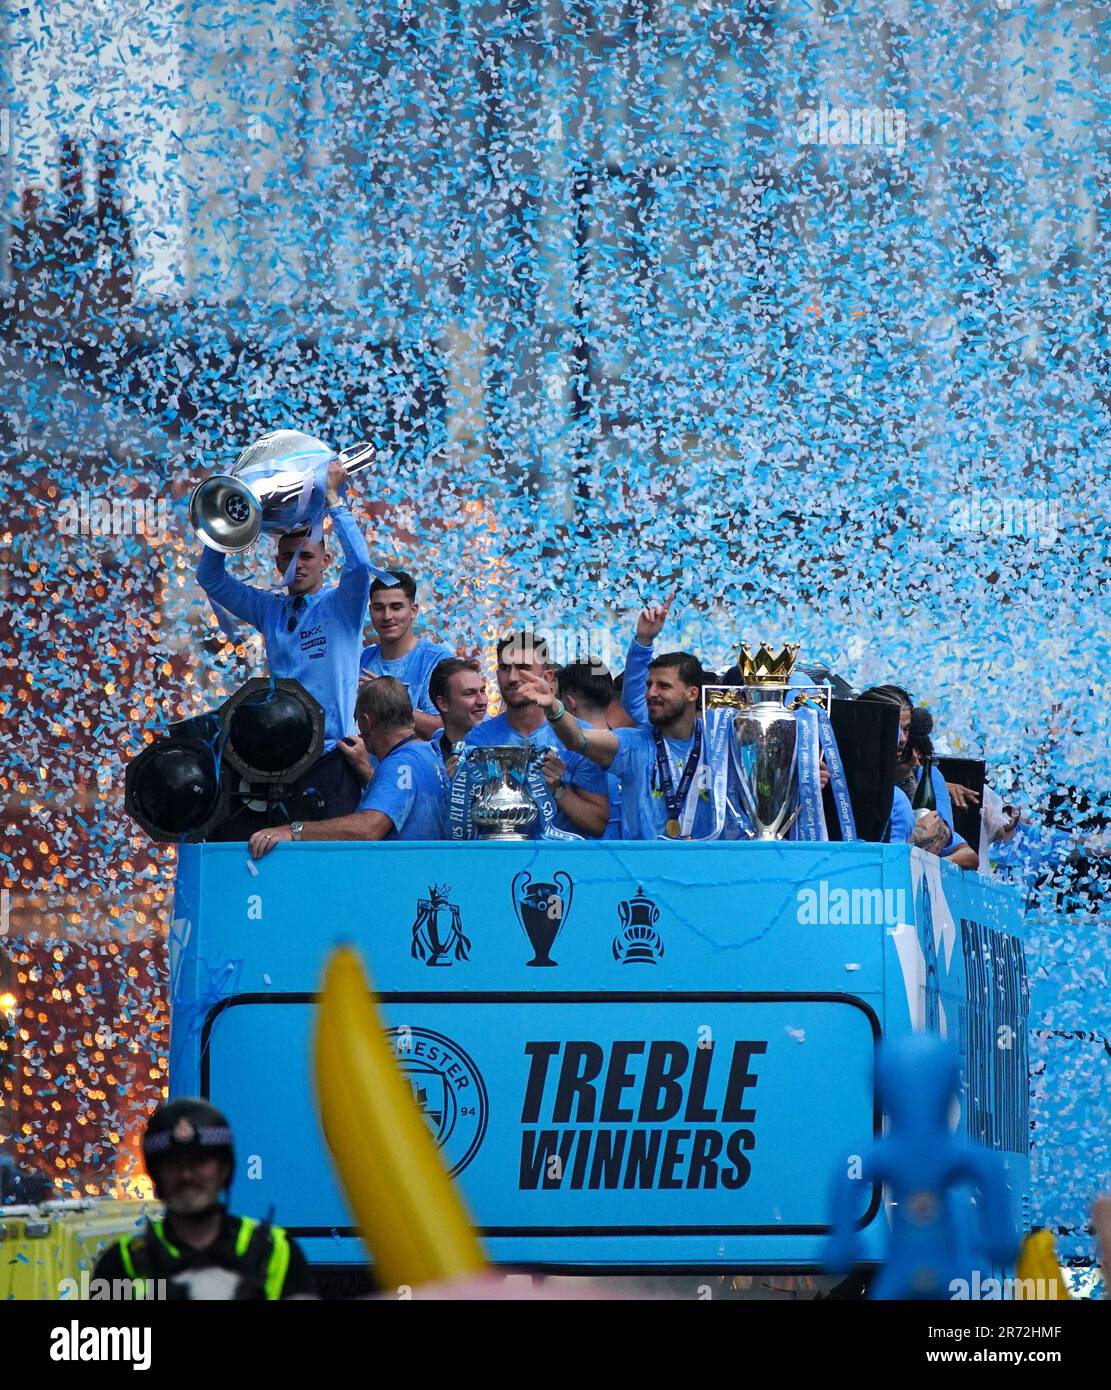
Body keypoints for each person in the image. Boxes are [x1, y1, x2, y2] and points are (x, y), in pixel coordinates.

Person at [196, 457, 377, 817]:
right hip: (283, 757)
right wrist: (228, 521)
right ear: (278, 564)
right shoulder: (271, 609)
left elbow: (359, 566)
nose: (298, 565)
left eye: (307, 556)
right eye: (288, 557)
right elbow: (210, 577)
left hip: (333, 755)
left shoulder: (342, 605)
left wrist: (335, 502)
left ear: (326, 561)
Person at [93, 1098, 314, 1300]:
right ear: (155, 1173)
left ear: (224, 1169)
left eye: (199, 1161)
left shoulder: (276, 1252)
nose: (187, 1175)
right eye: (173, 1163)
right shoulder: (121, 1264)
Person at [521, 645, 743, 841]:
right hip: (643, 875)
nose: (651, 693)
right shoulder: (633, 744)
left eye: (663, 686)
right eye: (649, 685)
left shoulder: (720, 735)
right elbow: (578, 740)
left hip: (711, 867)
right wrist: (554, 708)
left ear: (692, 693)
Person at [249, 677, 449, 855]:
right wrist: (367, 772)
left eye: (357, 722)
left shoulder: (399, 765)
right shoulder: (429, 754)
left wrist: (293, 831)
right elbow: (405, 803)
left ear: (366, 721)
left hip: (398, 883)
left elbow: (369, 829)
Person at [465, 632, 609, 839]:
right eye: (505, 668)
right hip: (498, 859)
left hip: (562, 865)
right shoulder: (479, 740)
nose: (512, 677)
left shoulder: (580, 736)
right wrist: (461, 785)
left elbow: (598, 824)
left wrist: (559, 790)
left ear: (547, 677)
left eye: (523, 668)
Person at [857, 686, 978, 868]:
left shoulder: (920, 780)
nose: (902, 739)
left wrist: (932, 866)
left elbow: (964, 852)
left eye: (906, 730)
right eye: (893, 728)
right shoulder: (839, 782)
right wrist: (915, 837)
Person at [360, 571, 456, 740]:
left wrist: (389, 703)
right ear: (370, 611)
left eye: (396, 607)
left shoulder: (436, 659)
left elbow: (445, 727)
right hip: (364, 763)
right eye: (379, 608)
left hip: (417, 764)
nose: (387, 616)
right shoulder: (362, 659)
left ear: (413, 611)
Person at [556, 661, 623, 839]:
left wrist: (558, 790)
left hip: (585, 859)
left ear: (569, 703)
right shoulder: (629, 748)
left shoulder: (568, 751)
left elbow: (597, 823)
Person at [428, 657, 489, 760]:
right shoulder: (427, 761)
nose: (482, 701)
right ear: (443, 703)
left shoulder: (505, 748)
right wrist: (444, 776)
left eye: (482, 691)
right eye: (469, 694)